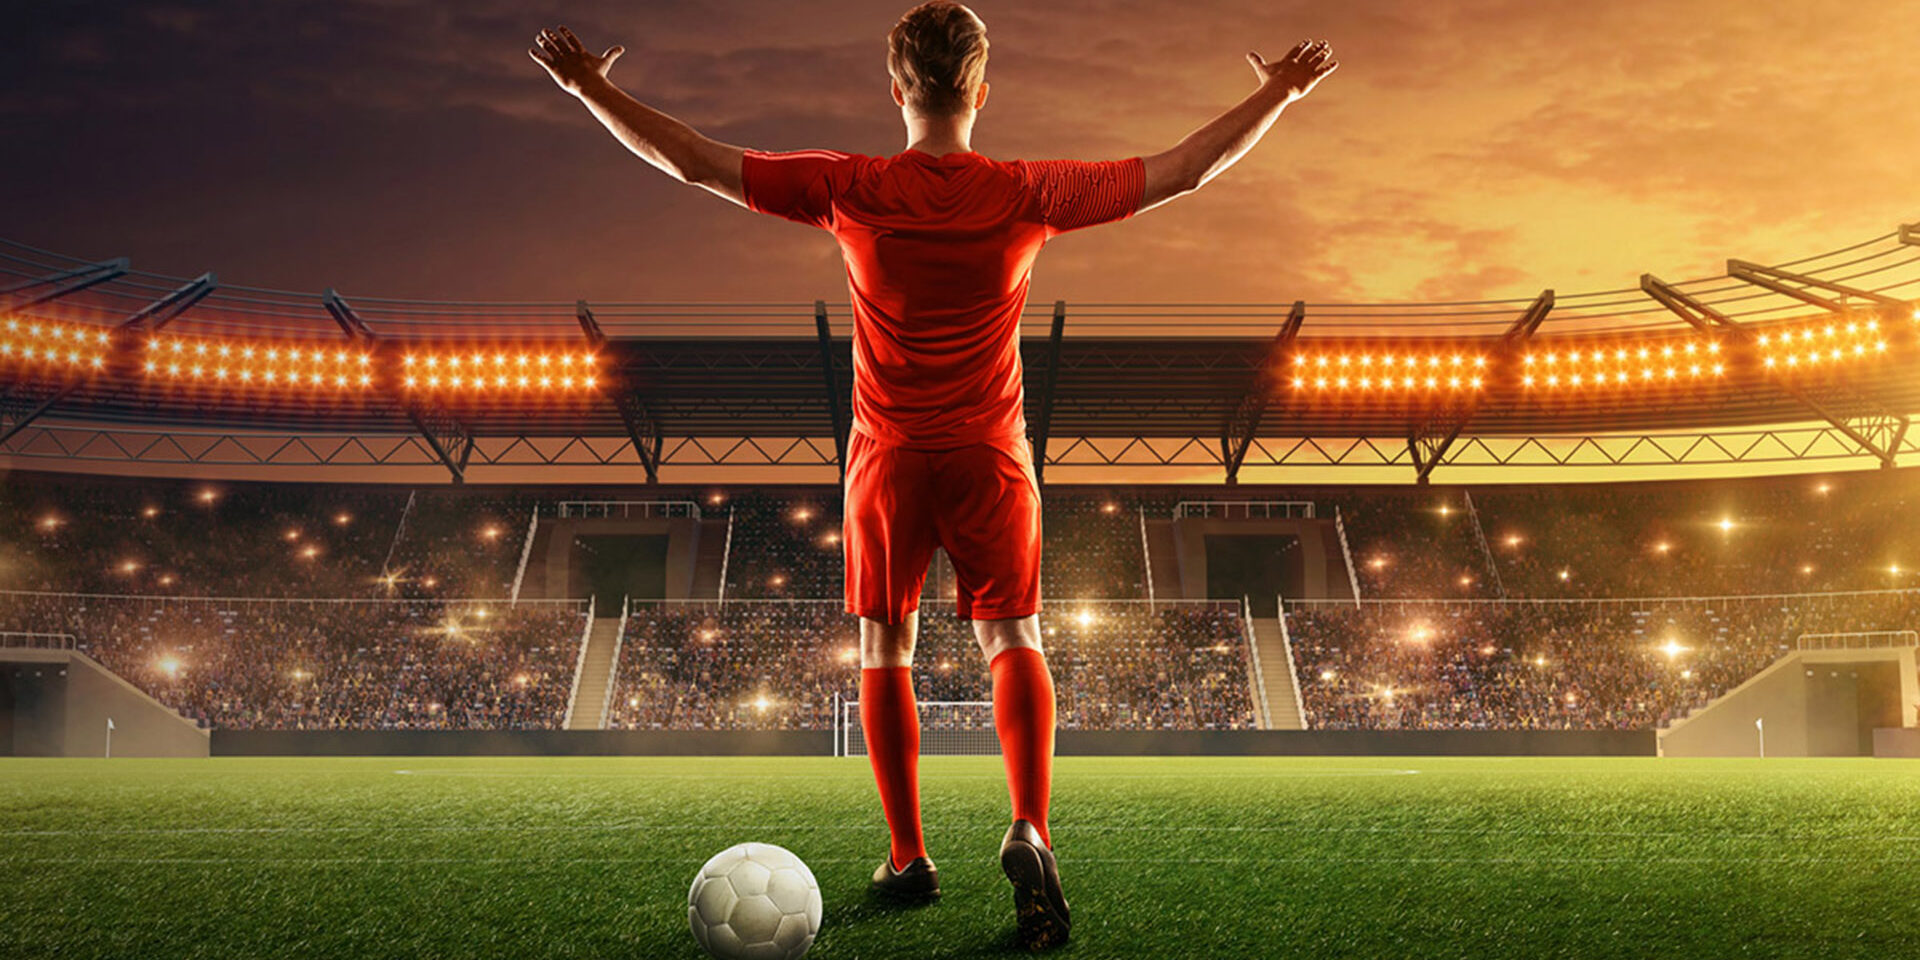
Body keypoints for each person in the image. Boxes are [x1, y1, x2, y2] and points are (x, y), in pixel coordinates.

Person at [531, 4, 1336, 947]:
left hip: (887, 454)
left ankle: (908, 856)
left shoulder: (852, 185)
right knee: (1015, 637)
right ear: (982, 91)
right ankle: (1029, 825)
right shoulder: (1030, 191)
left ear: (898, 89)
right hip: (991, 452)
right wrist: (1278, 91)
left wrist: (590, 86)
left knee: (885, 648)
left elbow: (696, 160)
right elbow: (1181, 170)